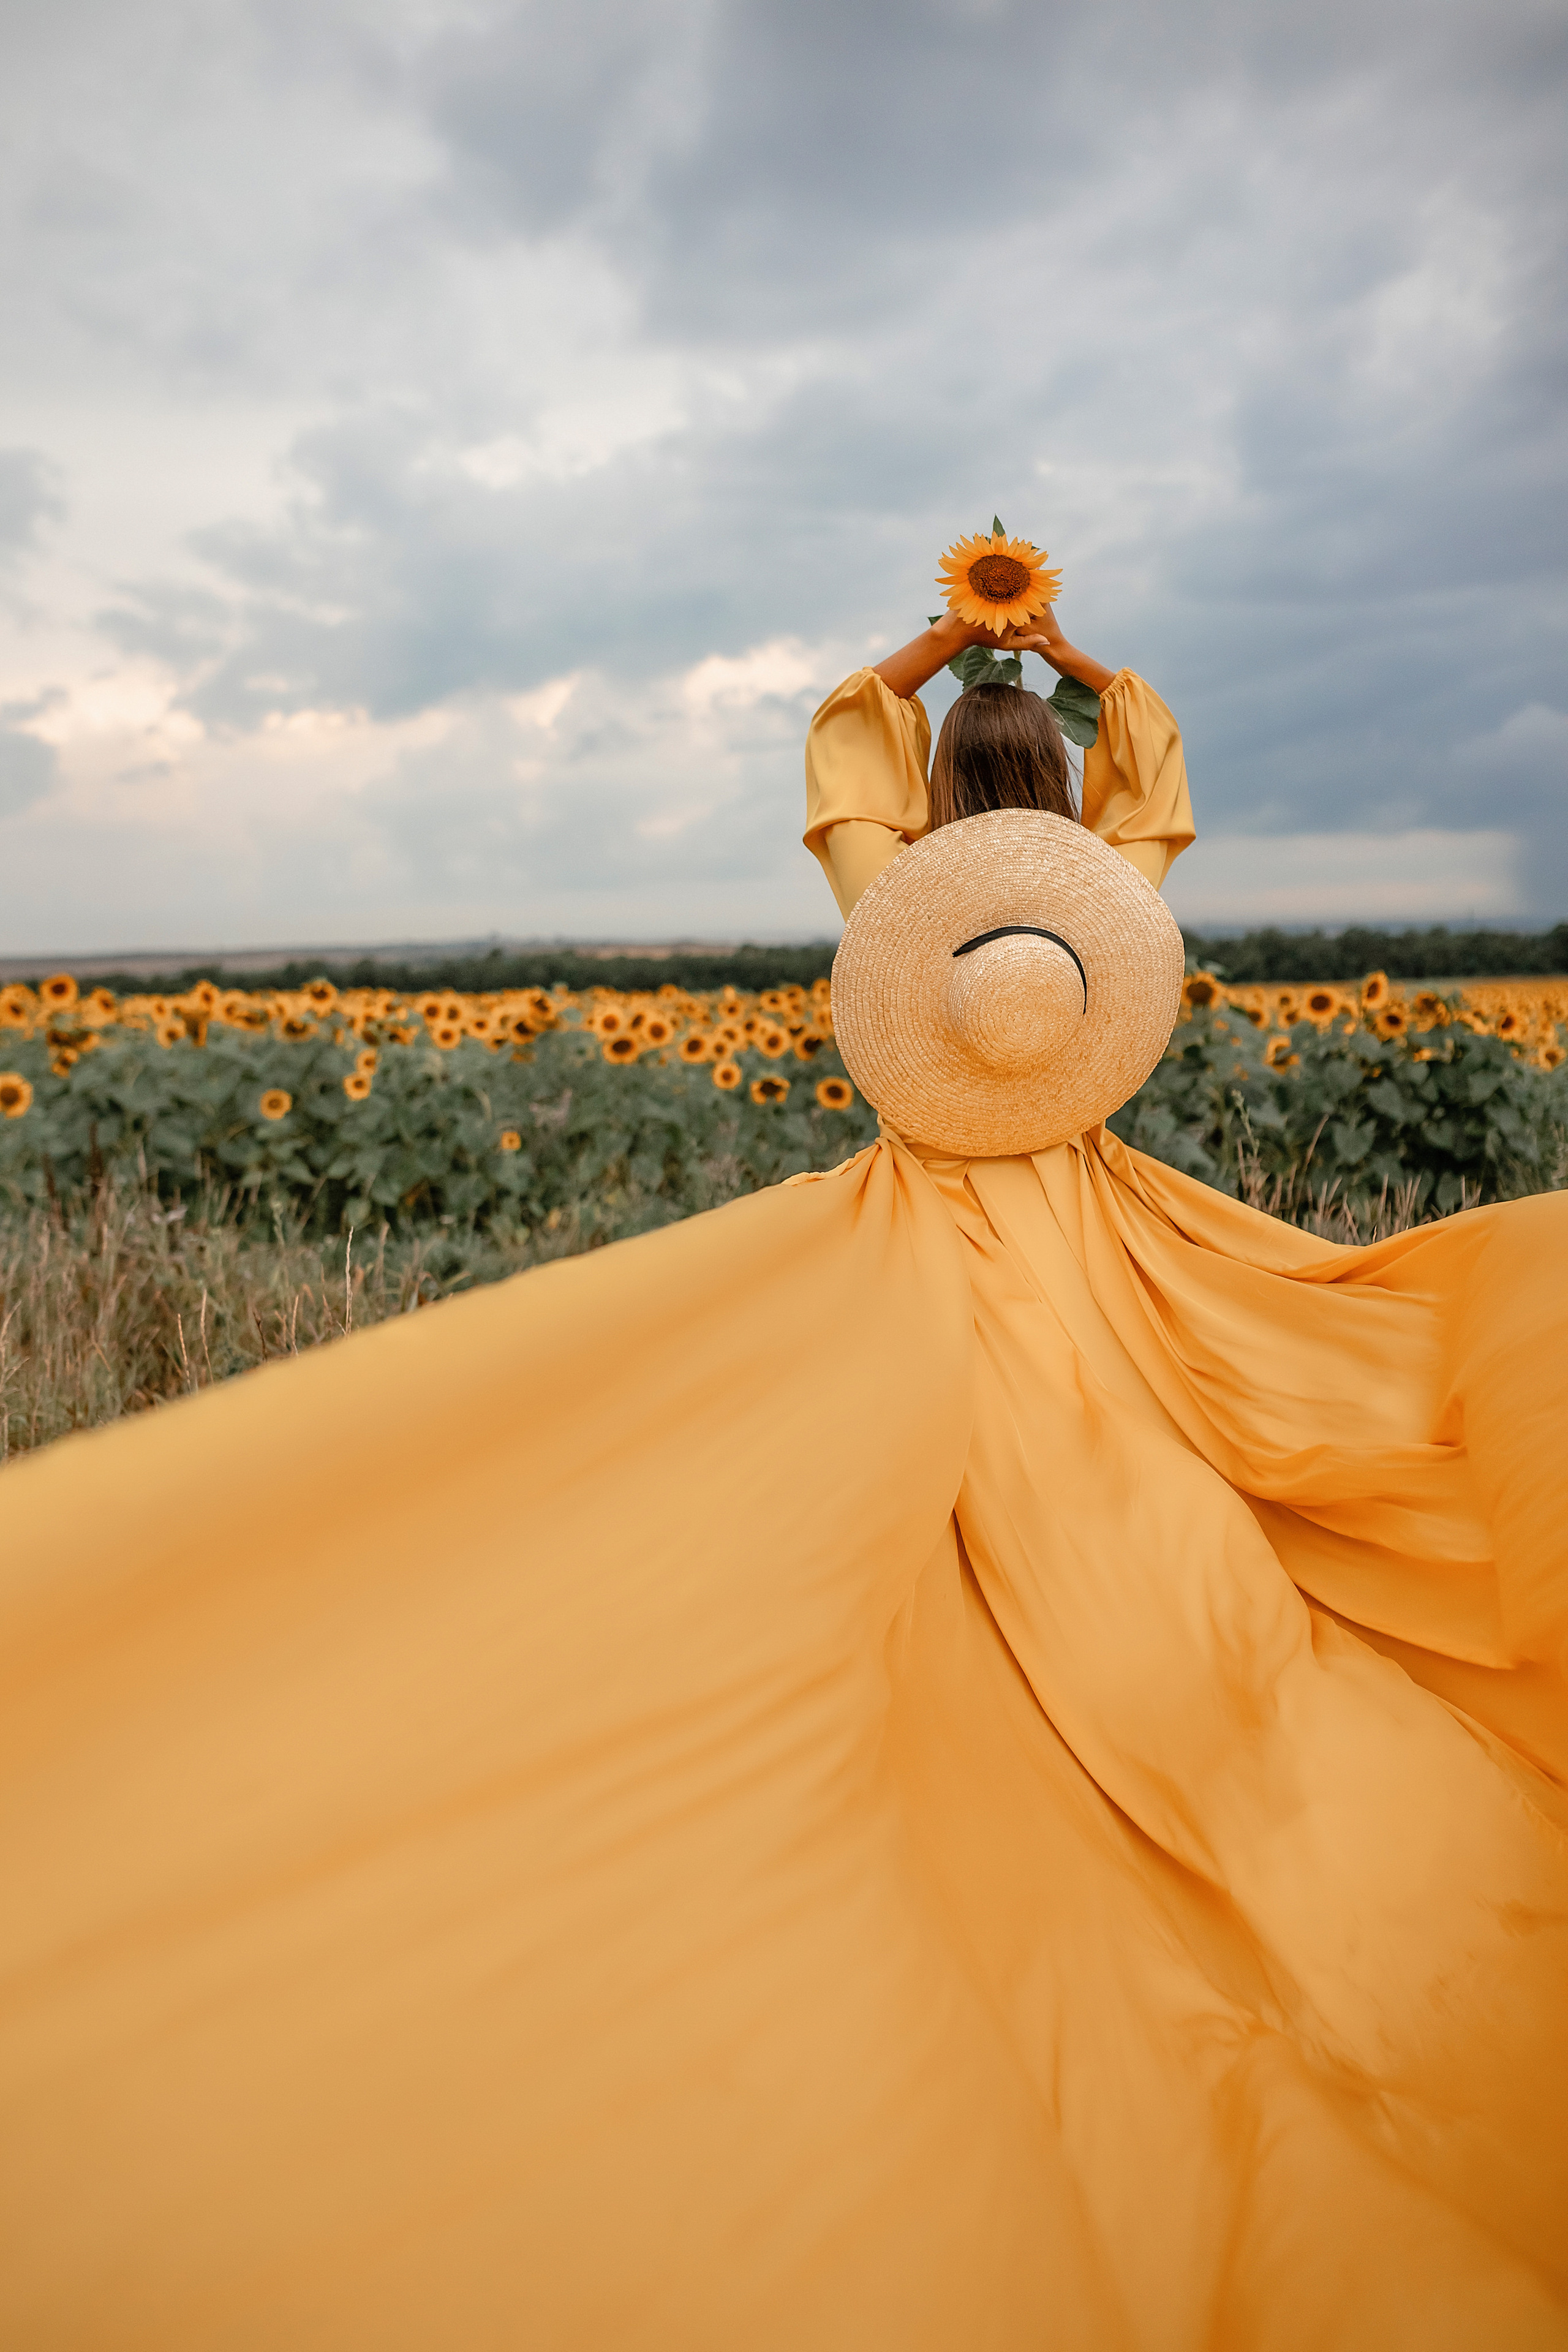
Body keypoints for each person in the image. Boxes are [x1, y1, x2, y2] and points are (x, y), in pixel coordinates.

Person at [1, 592, 1565, 2352]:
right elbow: (1162, 779)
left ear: (927, 797)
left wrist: (931, 652)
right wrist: (1072, 662)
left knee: (932, 1492)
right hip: (1116, 1235)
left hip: (938, 1229)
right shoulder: (1107, 897)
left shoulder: (896, 903)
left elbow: (837, 751)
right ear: (1052, 778)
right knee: (1198, 1451)